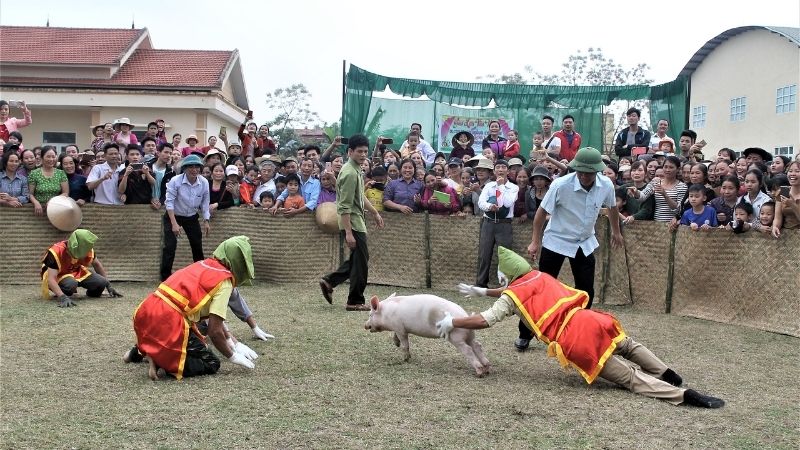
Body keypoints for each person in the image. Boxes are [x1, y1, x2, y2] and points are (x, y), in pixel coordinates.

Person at [438, 246, 725, 409]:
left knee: (627, 377)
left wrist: (454, 321)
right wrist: (482, 291)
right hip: (590, 319)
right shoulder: (538, 276)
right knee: (628, 344)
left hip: (573, 338)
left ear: (507, 275)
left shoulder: (512, 296)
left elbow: (486, 319)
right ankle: (668, 374)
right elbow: (511, 291)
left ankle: (684, 396)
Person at [523, 147, 623, 351]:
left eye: (589, 172)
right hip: (556, 240)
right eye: (581, 171)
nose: (585, 176)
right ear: (575, 169)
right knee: (543, 289)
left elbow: (612, 208)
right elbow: (541, 214)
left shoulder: (606, 186)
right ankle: (526, 332)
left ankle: (579, 333)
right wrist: (535, 241)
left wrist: (616, 231)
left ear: (598, 171)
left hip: (584, 242)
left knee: (586, 291)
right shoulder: (561, 185)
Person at [125, 236, 259, 380]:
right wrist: (232, 356)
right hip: (168, 320)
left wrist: (232, 341)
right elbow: (214, 331)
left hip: (146, 311)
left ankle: (137, 352)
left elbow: (214, 324)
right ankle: (159, 361)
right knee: (211, 362)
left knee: (198, 343)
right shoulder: (224, 282)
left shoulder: (203, 264)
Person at [319, 134, 385, 311]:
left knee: (358, 260)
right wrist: (348, 232)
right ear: (350, 152)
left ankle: (330, 281)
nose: (363, 155)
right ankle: (354, 300)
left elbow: (360, 196)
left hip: (357, 220)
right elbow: (344, 205)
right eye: (359, 151)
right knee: (361, 262)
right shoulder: (349, 173)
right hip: (352, 222)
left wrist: (374, 213)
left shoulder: (355, 169)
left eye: (365, 151)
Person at [40, 229, 122, 307]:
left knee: (101, 282)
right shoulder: (56, 252)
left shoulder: (87, 248)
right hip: (59, 274)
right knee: (71, 284)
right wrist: (62, 297)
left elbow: (97, 264)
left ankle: (91, 293)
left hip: (76, 271)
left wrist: (108, 285)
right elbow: (51, 279)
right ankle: (62, 293)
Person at [160, 154, 211, 281]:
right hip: (173, 215)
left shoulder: (204, 182)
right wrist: (174, 223)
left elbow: (205, 203)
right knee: (170, 246)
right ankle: (165, 277)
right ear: (184, 169)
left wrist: (206, 221)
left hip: (192, 217)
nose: (194, 170)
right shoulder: (175, 181)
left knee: (197, 245)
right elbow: (169, 202)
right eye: (190, 167)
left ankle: (200, 275)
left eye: (197, 167)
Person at [476, 159, 518, 288]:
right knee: (484, 254)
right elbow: (481, 202)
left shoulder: (513, 187)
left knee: (505, 255)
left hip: (504, 224)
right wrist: (489, 206)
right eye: (498, 167)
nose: (500, 169)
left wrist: (500, 186)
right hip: (488, 223)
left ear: (508, 171)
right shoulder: (488, 186)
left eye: (503, 167)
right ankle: (481, 284)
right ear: (494, 171)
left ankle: (504, 285)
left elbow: (507, 203)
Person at [28, 146, 68, 216]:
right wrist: (36, 203)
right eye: (48, 156)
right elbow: (30, 194)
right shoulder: (34, 173)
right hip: (38, 210)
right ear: (42, 158)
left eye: (53, 156)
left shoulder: (61, 173)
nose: (51, 159)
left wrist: (52, 201)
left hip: (56, 210)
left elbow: (65, 193)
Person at [772, 161, 800, 237]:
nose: (792, 174)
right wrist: (775, 226)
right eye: (790, 171)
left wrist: (793, 205)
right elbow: (777, 217)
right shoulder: (783, 191)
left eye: (797, 171)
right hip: (787, 237)